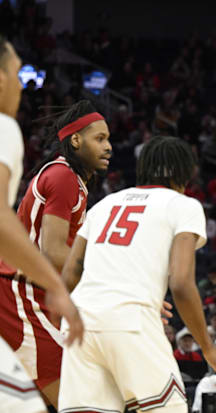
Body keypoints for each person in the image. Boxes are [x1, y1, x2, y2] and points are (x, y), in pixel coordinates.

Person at [58, 136, 216, 412]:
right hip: (130, 321)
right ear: (186, 172)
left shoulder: (103, 205)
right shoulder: (183, 205)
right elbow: (181, 283)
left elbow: (69, 276)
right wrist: (209, 348)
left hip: (79, 323)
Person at [0, 97, 111, 410]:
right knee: (80, 403)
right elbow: (52, 252)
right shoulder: (63, 177)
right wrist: (112, 278)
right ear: (76, 140)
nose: (108, 147)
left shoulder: (72, 181)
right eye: (99, 138)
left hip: (26, 294)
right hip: (18, 292)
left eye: (109, 139)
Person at [0, 34, 83, 413]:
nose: (22, 85)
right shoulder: (4, 128)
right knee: (66, 401)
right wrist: (56, 287)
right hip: (12, 291)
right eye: (19, 74)